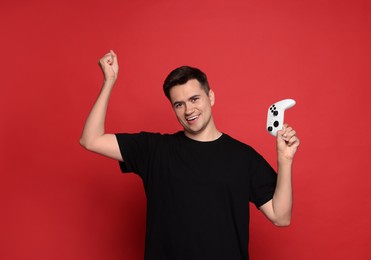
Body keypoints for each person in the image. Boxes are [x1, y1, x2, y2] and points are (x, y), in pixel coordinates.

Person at [80, 50, 300, 260]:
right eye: (179, 104)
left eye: (194, 99)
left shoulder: (243, 157)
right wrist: (109, 81)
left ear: (210, 97)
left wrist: (285, 160)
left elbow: (281, 217)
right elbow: (91, 140)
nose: (188, 110)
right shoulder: (154, 149)